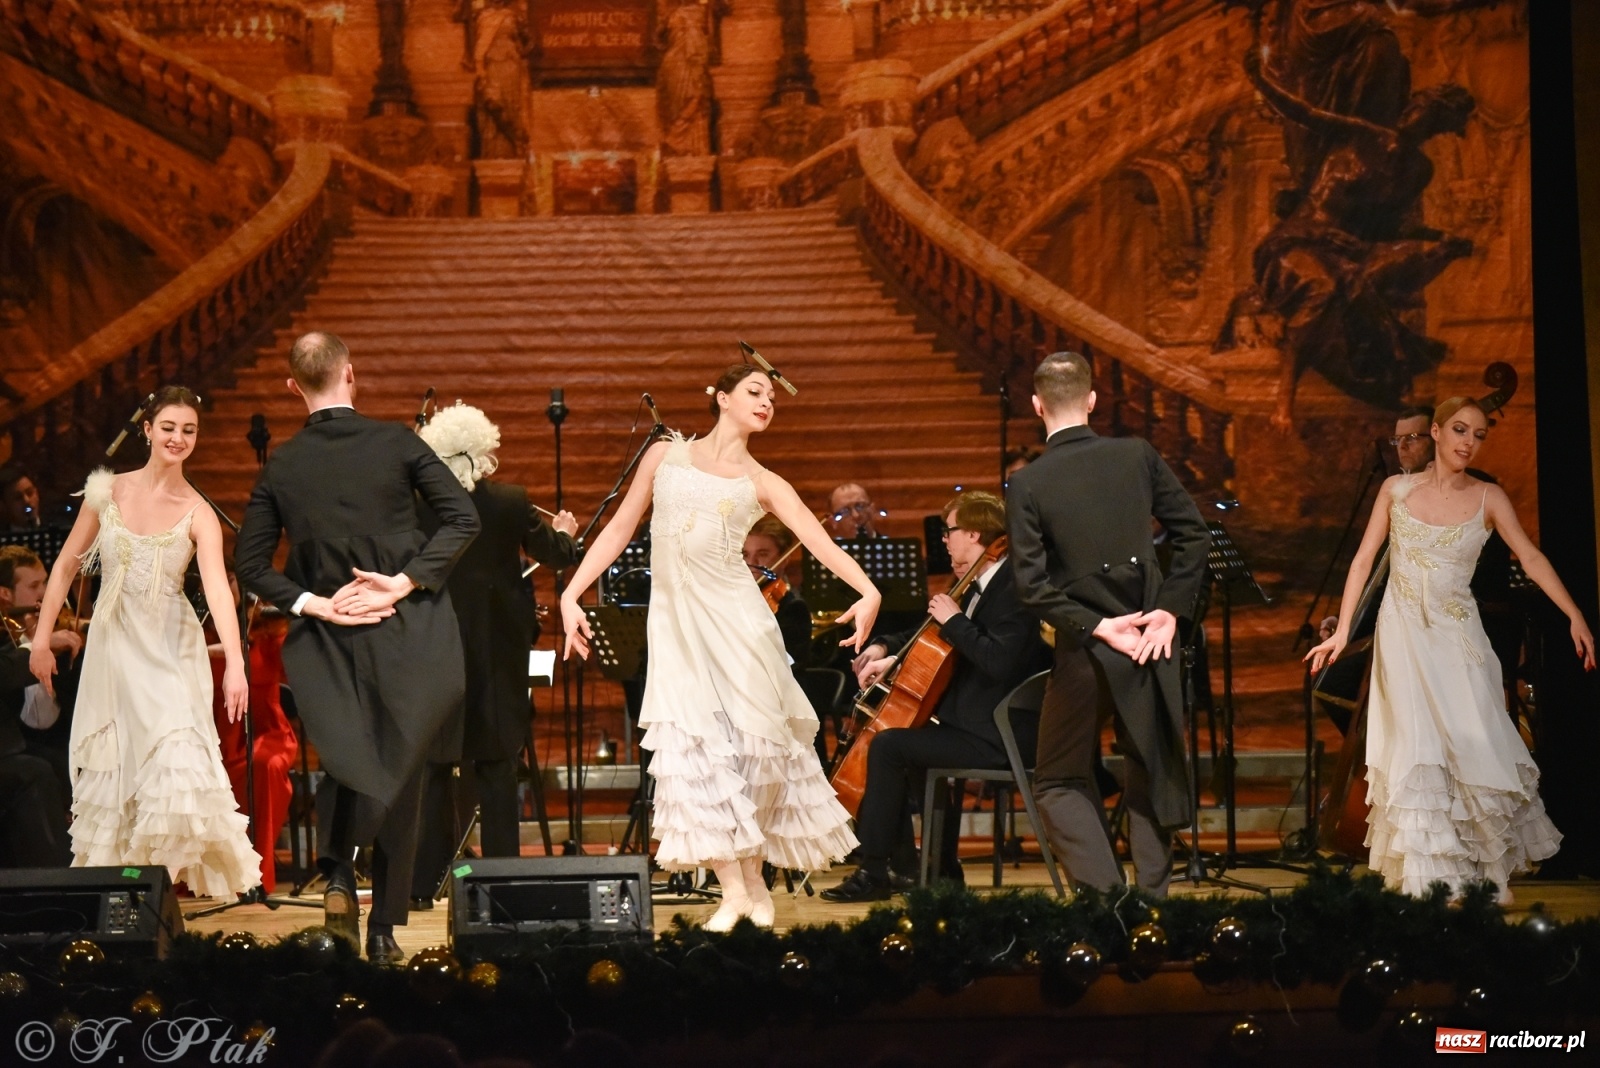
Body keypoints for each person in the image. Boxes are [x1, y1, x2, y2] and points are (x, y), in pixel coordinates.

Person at [560, 364, 881, 931]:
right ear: (721, 397)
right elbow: (617, 527)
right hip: (679, 628)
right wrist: (570, 592)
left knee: (757, 753)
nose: (766, 402)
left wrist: (869, 588)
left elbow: (818, 538)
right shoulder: (667, 455)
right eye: (754, 392)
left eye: (772, 398)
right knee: (696, 753)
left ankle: (749, 885)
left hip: (741, 624)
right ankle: (737, 888)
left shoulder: (763, 480)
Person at [234, 332, 479, 964]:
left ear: (294, 386)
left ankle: (340, 870)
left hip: (328, 633)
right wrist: (400, 582)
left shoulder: (281, 464)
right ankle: (382, 928)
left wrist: (316, 604)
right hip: (408, 626)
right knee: (397, 768)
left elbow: (251, 564)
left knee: (351, 759)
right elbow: (462, 517)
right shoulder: (398, 440)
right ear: (351, 373)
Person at [1308, 397, 1593, 903]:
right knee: (1416, 757)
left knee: (1472, 751)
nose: (1468, 441)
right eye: (1460, 429)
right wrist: (1341, 630)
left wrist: (1574, 613)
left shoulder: (1489, 497)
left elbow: (1530, 556)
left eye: (1479, 434)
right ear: (1436, 432)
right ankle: (1424, 889)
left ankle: (1480, 884)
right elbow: (1362, 561)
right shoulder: (1395, 490)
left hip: (1458, 642)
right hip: (1404, 641)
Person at [28, 386, 262, 895]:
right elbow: (67, 564)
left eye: (189, 430)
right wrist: (41, 640)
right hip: (115, 649)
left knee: (178, 762)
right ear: (148, 430)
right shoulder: (108, 491)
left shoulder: (198, 510)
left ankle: (158, 893)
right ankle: (125, 900)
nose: (178, 438)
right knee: (118, 777)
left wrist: (237, 664)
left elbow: (219, 590)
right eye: (170, 427)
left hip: (172, 649)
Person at [1006, 352, 1210, 896]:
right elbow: (1194, 534)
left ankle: (1106, 899)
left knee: (1056, 779)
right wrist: (1169, 610)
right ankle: (1153, 906)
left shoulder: (1027, 484)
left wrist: (1097, 627)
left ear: (1037, 405)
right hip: (1148, 637)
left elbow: (1032, 587)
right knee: (1149, 766)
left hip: (1086, 649)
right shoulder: (1136, 454)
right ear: (1093, 400)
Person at [822, 490, 1052, 902]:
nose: (944, 541)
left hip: (1001, 735)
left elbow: (997, 659)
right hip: (973, 724)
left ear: (977, 534)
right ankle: (932, 870)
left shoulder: (1015, 586)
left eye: (950, 531)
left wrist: (957, 620)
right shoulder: (977, 583)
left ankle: (875, 871)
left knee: (890, 745)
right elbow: (929, 630)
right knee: (905, 744)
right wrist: (886, 650)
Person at [410, 403, 578, 903]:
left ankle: (424, 883)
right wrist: (566, 530)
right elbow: (558, 554)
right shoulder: (508, 501)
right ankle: (505, 881)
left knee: (436, 767)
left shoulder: (417, 507)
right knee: (498, 767)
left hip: (433, 652)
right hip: (499, 655)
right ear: (486, 452)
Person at [0, 546, 72, 868]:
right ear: (4, 594)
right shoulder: (7, 639)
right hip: (13, 751)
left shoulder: (57, 631)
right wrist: (36, 647)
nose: (45, 594)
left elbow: (51, 721)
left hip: (40, 747)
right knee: (37, 772)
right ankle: (56, 884)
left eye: (46, 583)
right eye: (33, 587)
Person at [1390, 406, 1434, 474]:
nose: (1402, 446)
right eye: (1398, 439)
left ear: (1435, 438)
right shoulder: (1393, 483)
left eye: (1412, 437)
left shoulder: (1452, 483)